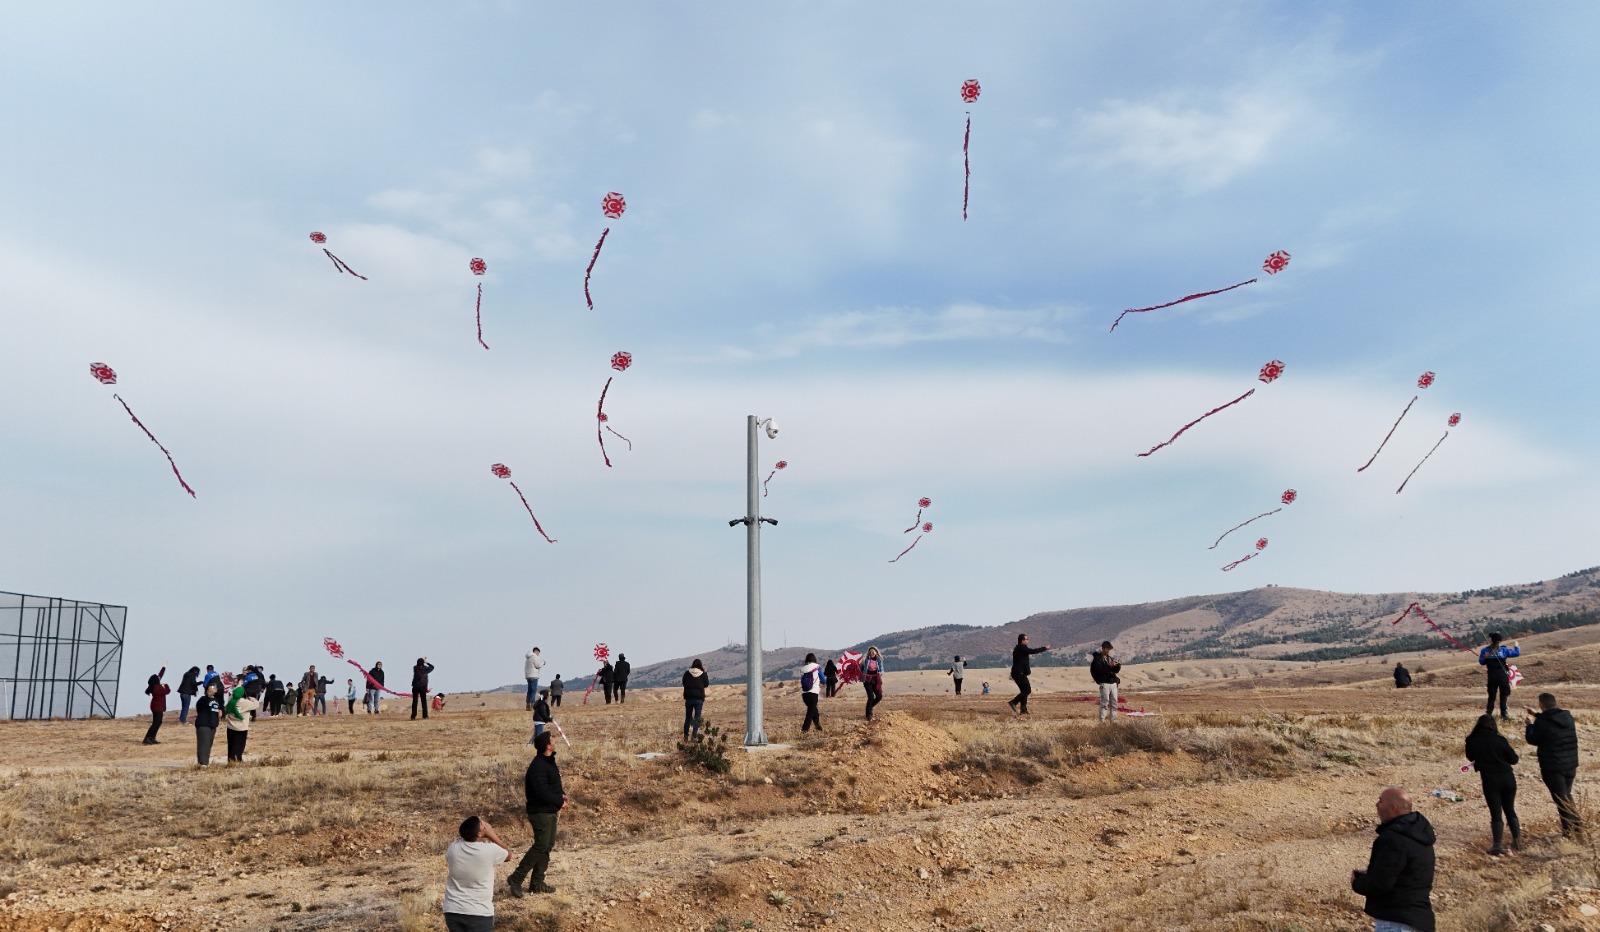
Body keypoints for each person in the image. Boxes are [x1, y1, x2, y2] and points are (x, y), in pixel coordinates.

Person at [1350, 786, 1435, 932]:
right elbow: (1403, 873)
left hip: (1397, 922)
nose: (1377, 805)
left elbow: (1380, 884)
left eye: (1381, 802)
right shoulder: (1418, 833)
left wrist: (1357, 882)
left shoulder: (1393, 839)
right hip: (1419, 919)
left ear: (1394, 808)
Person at [507, 731, 567, 896]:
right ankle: (516, 878)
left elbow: (553, 785)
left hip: (549, 810)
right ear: (548, 745)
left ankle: (537, 883)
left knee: (547, 845)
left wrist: (561, 795)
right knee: (541, 845)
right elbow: (541, 792)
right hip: (540, 812)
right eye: (553, 739)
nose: (555, 741)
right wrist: (559, 801)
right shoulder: (538, 766)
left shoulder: (548, 761)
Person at [1525, 692, 1582, 837]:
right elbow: (1552, 721)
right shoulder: (1567, 717)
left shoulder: (1542, 722)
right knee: (1566, 796)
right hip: (1570, 764)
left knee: (1560, 799)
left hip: (1553, 767)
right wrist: (1536, 714)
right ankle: (1577, 828)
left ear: (1542, 705)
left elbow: (1533, 739)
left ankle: (1569, 833)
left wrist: (1529, 726)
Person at [1464, 714, 1521, 855]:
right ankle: (1517, 841)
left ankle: (1497, 845)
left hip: (1490, 779)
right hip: (1508, 777)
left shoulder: (1472, 740)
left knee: (1495, 812)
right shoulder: (1500, 740)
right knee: (1510, 809)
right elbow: (1514, 759)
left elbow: (1471, 757)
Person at [443, 815, 510, 932]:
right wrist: (491, 834)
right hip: (479, 912)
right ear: (479, 834)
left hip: (452, 910)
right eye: (481, 824)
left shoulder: (453, 847)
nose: (484, 825)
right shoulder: (489, 850)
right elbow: (508, 855)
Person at [1479, 633, 1521, 720]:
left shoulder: (1485, 651)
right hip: (1502, 675)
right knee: (1504, 694)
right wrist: (1516, 645)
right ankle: (1504, 714)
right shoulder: (1504, 650)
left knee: (1492, 695)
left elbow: (1481, 662)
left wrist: (1486, 657)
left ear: (1491, 640)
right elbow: (1517, 653)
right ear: (1500, 641)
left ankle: (1489, 713)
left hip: (1492, 676)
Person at [1009, 633, 1051, 715]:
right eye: (1027, 639)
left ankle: (1023, 710)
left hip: (1018, 673)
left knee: (1024, 691)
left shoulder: (1019, 648)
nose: (1028, 640)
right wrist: (1045, 648)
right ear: (1022, 640)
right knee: (1027, 690)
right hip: (1019, 673)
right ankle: (1014, 702)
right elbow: (1033, 651)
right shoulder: (1021, 648)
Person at [224, 682, 263, 764]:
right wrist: (252, 698)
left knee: (231, 745)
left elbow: (234, 693)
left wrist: (239, 684)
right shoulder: (244, 702)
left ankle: (230, 761)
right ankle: (237, 761)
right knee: (239, 746)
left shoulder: (231, 700)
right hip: (241, 728)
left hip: (230, 727)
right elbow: (256, 705)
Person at [1090, 641, 1122, 722]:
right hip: (1104, 683)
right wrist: (1109, 666)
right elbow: (1100, 671)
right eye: (1107, 649)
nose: (1108, 651)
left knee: (1114, 703)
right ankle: (1102, 722)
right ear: (1103, 649)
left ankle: (1113, 721)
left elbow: (1115, 671)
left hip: (1113, 682)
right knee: (1104, 703)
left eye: (1109, 649)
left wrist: (1118, 666)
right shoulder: (1097, 660)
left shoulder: (1109, 658)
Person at [193, 680, 222, 766]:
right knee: (204, 743)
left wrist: (220, 711)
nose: (215, 688)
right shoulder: (203, 699)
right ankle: (203, 763)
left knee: (208, 743)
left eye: (215, 687)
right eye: (213, 687)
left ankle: (205, 761)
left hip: (213, 724)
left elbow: (220, 708)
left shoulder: (217, 700)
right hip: (204, 724)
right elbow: (200, 708)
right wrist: (208, 694)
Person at [682, 660, 708, 740]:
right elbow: (706, 684)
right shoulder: (702, 674)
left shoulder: (687, 673)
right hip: (699, 699)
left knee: (688, 718)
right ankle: (694, 735)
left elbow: (683, 683)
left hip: (689, 699)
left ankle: (686, 736)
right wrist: (705, 673)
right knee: (697, 718)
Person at [143, 668, 170, 745]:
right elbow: (167, 691)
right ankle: (148, 738)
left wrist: (164, 668)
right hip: (157, 707)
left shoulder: (154, 687)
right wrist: (166, 686)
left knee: (157, 722)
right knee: (156, 723)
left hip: (156, 706)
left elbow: (159, 675)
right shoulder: (157, 687)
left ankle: (151, 737)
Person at [799, 653, 823, 733]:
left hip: (804, 694)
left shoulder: (803, 669)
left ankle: (818, 727)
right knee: (810, 712)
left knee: (814, 710)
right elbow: (823, 680)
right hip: (813, 692)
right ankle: (804, 730)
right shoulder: (817, 667)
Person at [862, 647, 885, 720]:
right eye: (870, 652)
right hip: (867, 680)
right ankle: (868, 714)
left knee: (879, 696)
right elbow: (861, 667)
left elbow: (882, 670)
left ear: (876, 652)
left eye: (873, 652)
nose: (871, 653)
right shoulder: (865, 660)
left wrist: (880, 674)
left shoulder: (879, 660)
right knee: (871, 696)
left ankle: (869, 707)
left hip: (876, 680)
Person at [524, 647, 545, 712]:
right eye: (538, 653)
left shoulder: (527, 658)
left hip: (528, 676)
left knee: (529, 691)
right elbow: (537, 665)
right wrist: (543, 663)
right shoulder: (534, 657)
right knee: (533, 691)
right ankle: (533, 705)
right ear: (536, 651)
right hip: (534, 676)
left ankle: (528, 704)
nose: (538, 654)